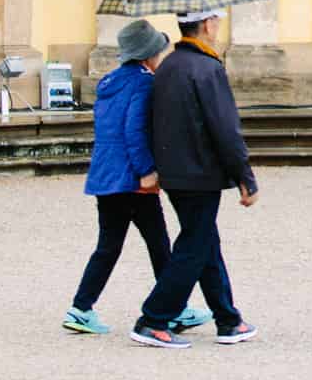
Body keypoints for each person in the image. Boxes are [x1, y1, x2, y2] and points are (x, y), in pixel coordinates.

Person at [62, 18, 210, 337]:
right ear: (148, 55)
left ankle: (81, 307)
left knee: (109, 246)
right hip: (132, 179)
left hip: (107, 177)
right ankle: (174, 308)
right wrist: (146, 171)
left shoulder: (110, 81)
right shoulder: (144, 82)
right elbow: (134, 130)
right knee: (159, 244)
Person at [132, 8, 260, 351]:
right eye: (217, 21)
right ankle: (154, 318)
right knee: (194, 244)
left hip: (175, 172)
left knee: (204, 240)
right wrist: (244, 175)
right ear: (207, 24)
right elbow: (225, 128)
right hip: (200, 172)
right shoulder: (206, 67)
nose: (218, 27)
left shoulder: (169, 65)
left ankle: (228, 318)